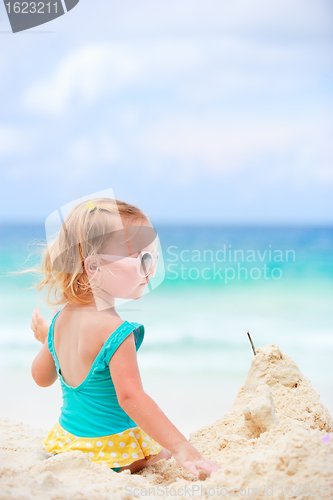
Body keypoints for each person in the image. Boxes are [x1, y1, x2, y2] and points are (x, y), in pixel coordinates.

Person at [30, 197, 221, 476]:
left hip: (65, 445)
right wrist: (181, 448)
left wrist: (49, 340)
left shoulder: (60, 320)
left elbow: (41, 377)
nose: (151, 267)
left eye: (153, 256)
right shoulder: (117, 332)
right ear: (93, 267)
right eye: (142, 258)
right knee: (162, 450)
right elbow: (131, 398)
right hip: (111, 454)